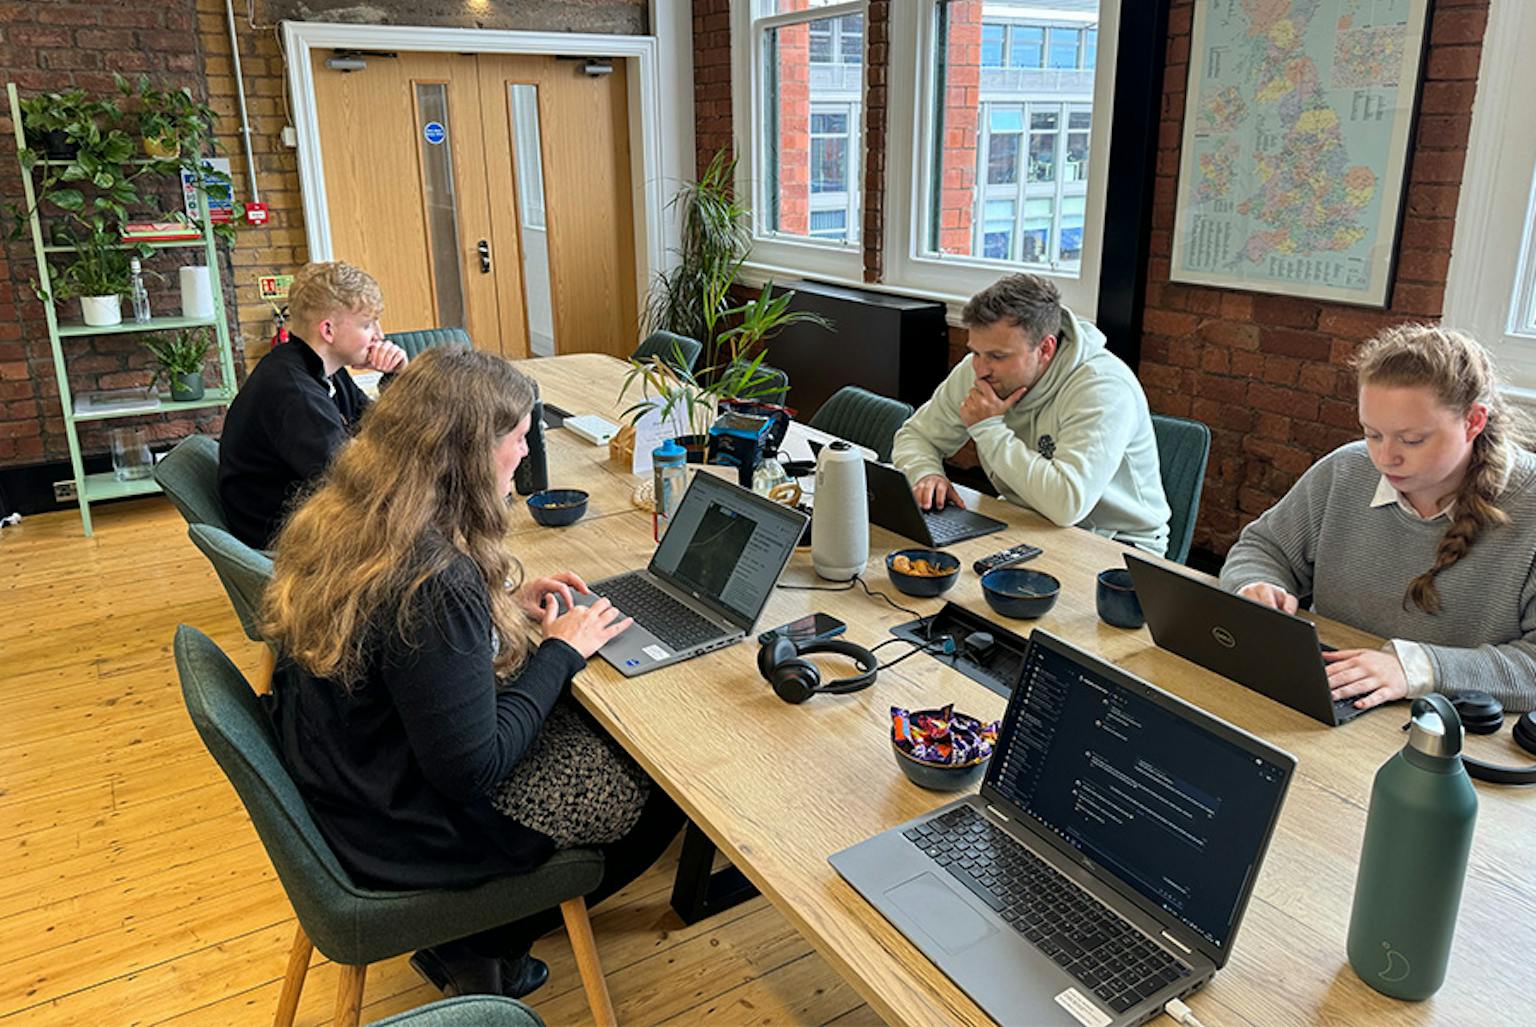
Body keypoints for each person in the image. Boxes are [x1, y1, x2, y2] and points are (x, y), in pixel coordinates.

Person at [260, 347, 683, 998]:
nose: (523, 453)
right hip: (400, 824)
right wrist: (560, 651)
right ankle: (483, 938)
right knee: (656, 784)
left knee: (579, 715)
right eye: (517, 438)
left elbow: (398, 644)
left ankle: (481, 944)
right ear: (470, 453)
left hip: (351, 773)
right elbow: (472, 768)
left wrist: (499, 609)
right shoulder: (433, 577)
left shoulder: (354, 512)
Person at [1220, 324, 1536, 712]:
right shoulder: (1346, 469)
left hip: (1450, 726)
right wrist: (1256, 583)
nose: (1386, 458)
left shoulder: (1529, 505)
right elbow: (1263, 547)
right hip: (1331, 696)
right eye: (1372, 434)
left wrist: (1417, 669)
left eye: (1413, 439)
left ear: (1473, 422)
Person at [890, 273, 1171, 554]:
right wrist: (925, 473)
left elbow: (1067, 505)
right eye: (976, 352)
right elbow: (915, 435)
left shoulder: (1103, 387)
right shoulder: (979, 370)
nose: (981, 368)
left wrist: (988, 429)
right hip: (1025, 520)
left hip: (1118, 545)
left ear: (1045, 348)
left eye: (998, 357)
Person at [217, 261, 409, 549]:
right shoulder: (294, 393)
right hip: (287, 539)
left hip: (308, 513)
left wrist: (396, 377)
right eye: (367, 324)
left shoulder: (322, 369)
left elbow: (375, 428)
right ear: (328, 330)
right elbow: (355, 479)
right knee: (419, 512)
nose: (379, 336)